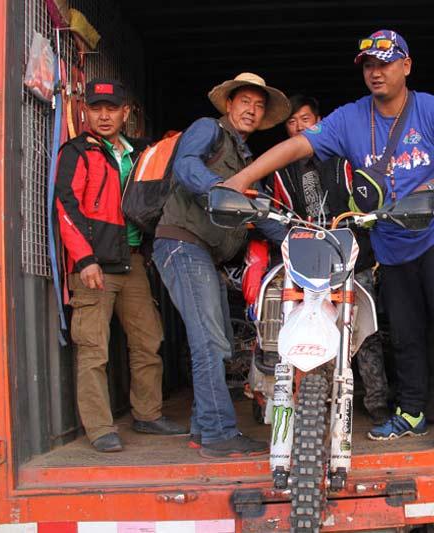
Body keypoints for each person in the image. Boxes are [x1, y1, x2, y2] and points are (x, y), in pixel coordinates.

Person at [222, 31, 434, 447]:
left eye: (385, 63)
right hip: (391, 247)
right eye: (369, 66)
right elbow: (298, 146)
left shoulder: (433, 110)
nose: (376, 72)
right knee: (405, 334)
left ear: (406, 65)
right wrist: (241, 179)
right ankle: (411, 413)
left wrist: (429, 190)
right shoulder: (350, 118)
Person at [151, 73, 291, 458]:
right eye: (245, 101)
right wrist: (222, 189)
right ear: (229, 105)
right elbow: (186, 165)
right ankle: (218, 433)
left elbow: (260, 213)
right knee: (210, 341)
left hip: (203, 255)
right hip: (182, 244)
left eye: (259, 106)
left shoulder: (247, 160)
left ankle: (203, 429)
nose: (252, 110)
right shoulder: (207, 129)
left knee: (220, 340)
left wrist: (295, 238)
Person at [54, 78, 186, 453]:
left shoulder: (139, 152)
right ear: (85, 111)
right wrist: (84, 260)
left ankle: (147, 414)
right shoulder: (77, 152)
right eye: (96, 108)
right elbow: (66, 206)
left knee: (149, 340)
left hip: (132, 262)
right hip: (93, 266)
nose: (104, 115)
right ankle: (99, 429)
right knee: (93, 350)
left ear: (125, 112)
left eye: (111, 108)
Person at [269, 94, 391, 425]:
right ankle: (317, 400)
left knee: (363, 330)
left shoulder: (343, 160)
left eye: (305, 120)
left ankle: (377, 401)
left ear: (319, 122)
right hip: (307, 261)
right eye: (291, 122)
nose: (298, 127)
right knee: (309, 326)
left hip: (351, 256)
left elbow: (367, 199)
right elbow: (279, 213)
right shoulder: (281, 172)